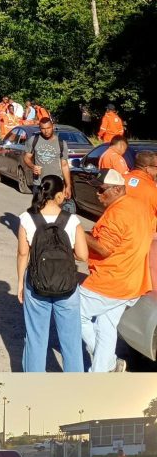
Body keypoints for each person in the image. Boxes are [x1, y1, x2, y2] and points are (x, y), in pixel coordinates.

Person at [81, 169, 154, 372]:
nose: (97, 193)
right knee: (106, 326)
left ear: (117, 189)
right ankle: (106, 368)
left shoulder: (116, 213)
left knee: (73, 314)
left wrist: (77, 231)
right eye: (96, 189)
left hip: (111, 281)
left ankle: (108, 363)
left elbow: (104, 249)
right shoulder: (140, 206)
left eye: (101, 189)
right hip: (132, 280)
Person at [16, 175, 88, 372]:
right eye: (63, 192)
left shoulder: (27, 218)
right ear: (58, 195)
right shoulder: (72, 220)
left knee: (35, 338)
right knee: (71, 341)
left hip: (36, 284)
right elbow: (82, 255)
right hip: (67, 287)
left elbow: (23, 253)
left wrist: (20, 284)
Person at [23, 118, 72, 200]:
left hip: (57, 184)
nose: (46, 131)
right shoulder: (34, 140)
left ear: (53, 127)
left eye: (48, 128)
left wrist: (68, 186)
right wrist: (33, 167)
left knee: (55, 211)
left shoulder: (61, 143)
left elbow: (64, 165)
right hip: (39, 184)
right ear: (40, 128)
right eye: (43, 129)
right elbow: (26, 158)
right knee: (39, 211)